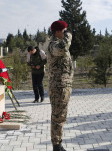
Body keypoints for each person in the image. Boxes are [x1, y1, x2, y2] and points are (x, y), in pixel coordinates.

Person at [46, 20, 73, 151]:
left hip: (63, 86)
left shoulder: (57, 43)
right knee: (58, 116)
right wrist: (69, 36)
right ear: (57, 32)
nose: (66, 33)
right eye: (64, 31)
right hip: (58, 87)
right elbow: (63, 48)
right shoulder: (54, 45)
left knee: (61, 116)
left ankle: (58, 144)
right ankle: (56, 146)